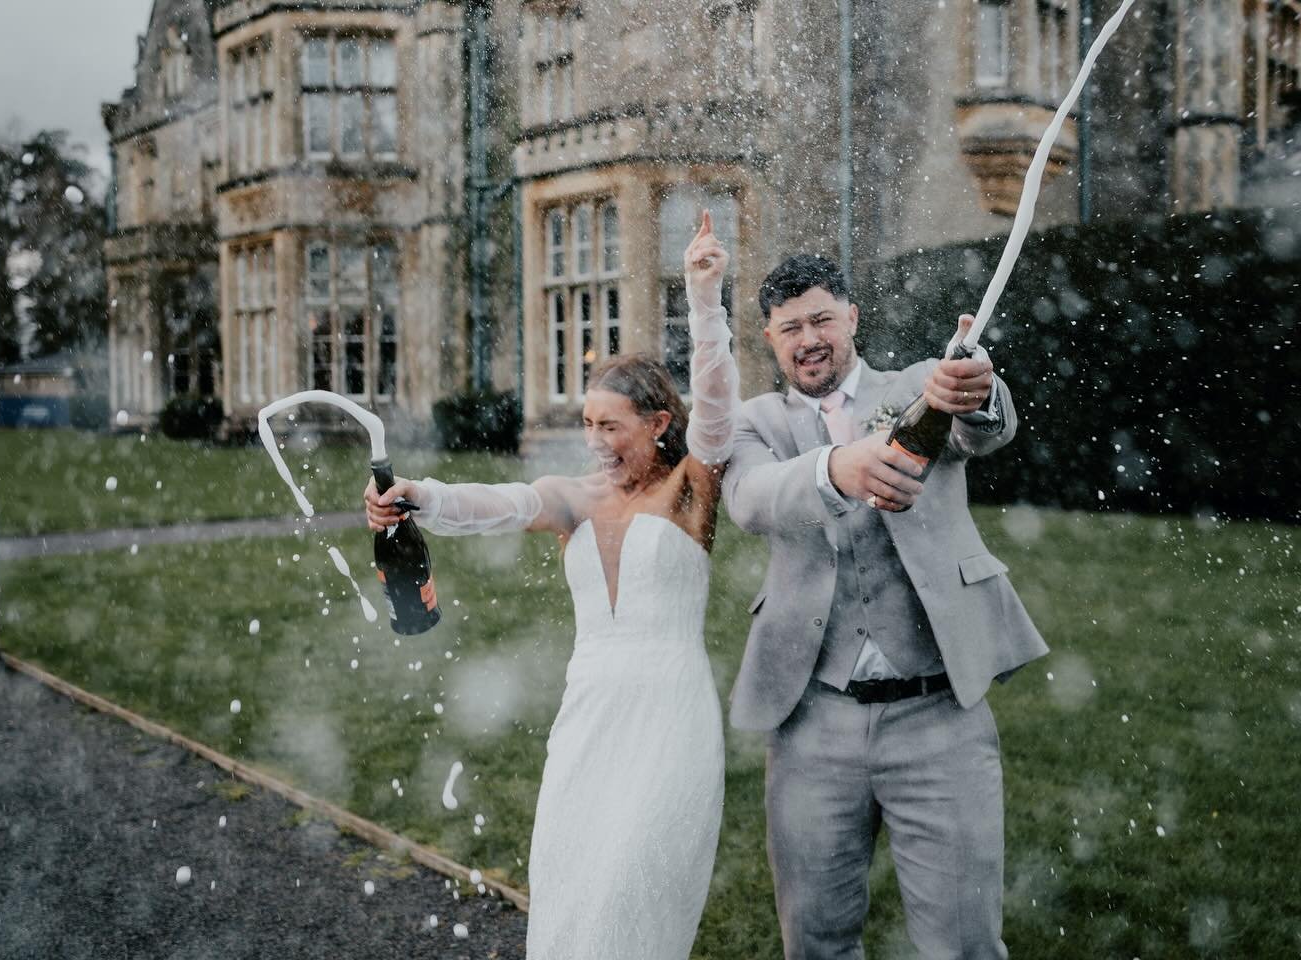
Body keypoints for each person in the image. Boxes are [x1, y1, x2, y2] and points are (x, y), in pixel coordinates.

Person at [364, 213, 738, 960]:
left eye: (612, 426)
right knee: (572, 883)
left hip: (669, 713)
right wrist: (417, 494)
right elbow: (496, 505)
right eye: (587, 423)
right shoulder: (577, 496)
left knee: (633, 884)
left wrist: (704, 300)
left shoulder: (693, 489)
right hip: (589, 710)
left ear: (661, 423)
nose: (595, 442)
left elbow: (720, 407)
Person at [722, 254, 1048, 959]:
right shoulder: (754, 424)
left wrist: (977, 387)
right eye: (788, 328)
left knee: (963, 942)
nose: (808, 339)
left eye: (822, 320)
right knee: (814, 940)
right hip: (812, 720)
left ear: (853, 319)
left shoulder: (914, 385)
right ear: (769, 340)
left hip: (938, 718)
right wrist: (837, 467)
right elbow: (749, 499)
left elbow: (979, 428)